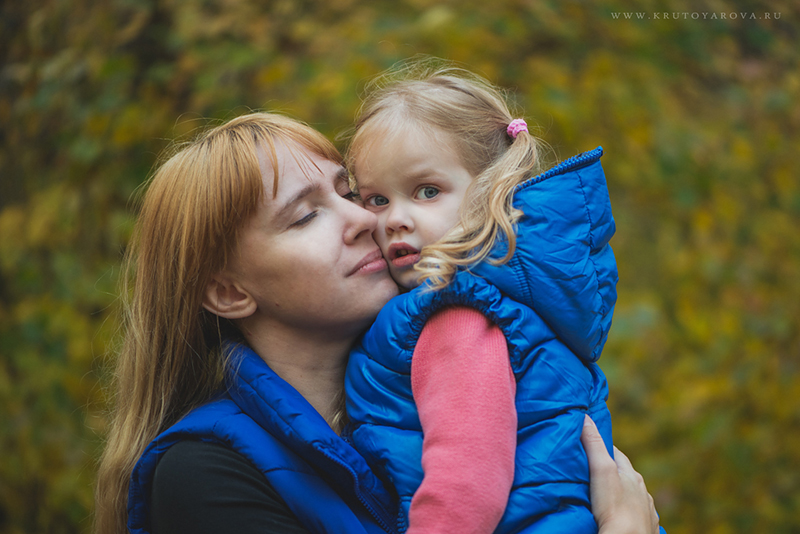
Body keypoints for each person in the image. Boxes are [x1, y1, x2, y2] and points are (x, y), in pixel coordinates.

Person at [93, 112, 660, 534]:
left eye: (350, 192)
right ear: (229, 291)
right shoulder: (201, 477)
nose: (367, 219)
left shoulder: (417, 396)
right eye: (307, 215)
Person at [344, 63, 665, 534]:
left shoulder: (457, 317)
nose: (395, 218)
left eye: (426, 191)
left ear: (490, 191)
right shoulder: (500, 303)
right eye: (376, 200)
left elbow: (465, 491)